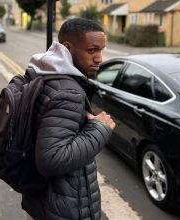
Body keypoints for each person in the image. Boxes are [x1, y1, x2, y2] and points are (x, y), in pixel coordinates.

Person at [22, 18, 116, 220]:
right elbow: (51, 160)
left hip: (43, 200)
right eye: (92, 50)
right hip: (66, 209)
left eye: (101, 50)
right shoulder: (68, 92)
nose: (99, 58)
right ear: (68, 48)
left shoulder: (43, 72)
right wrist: (100, 129)